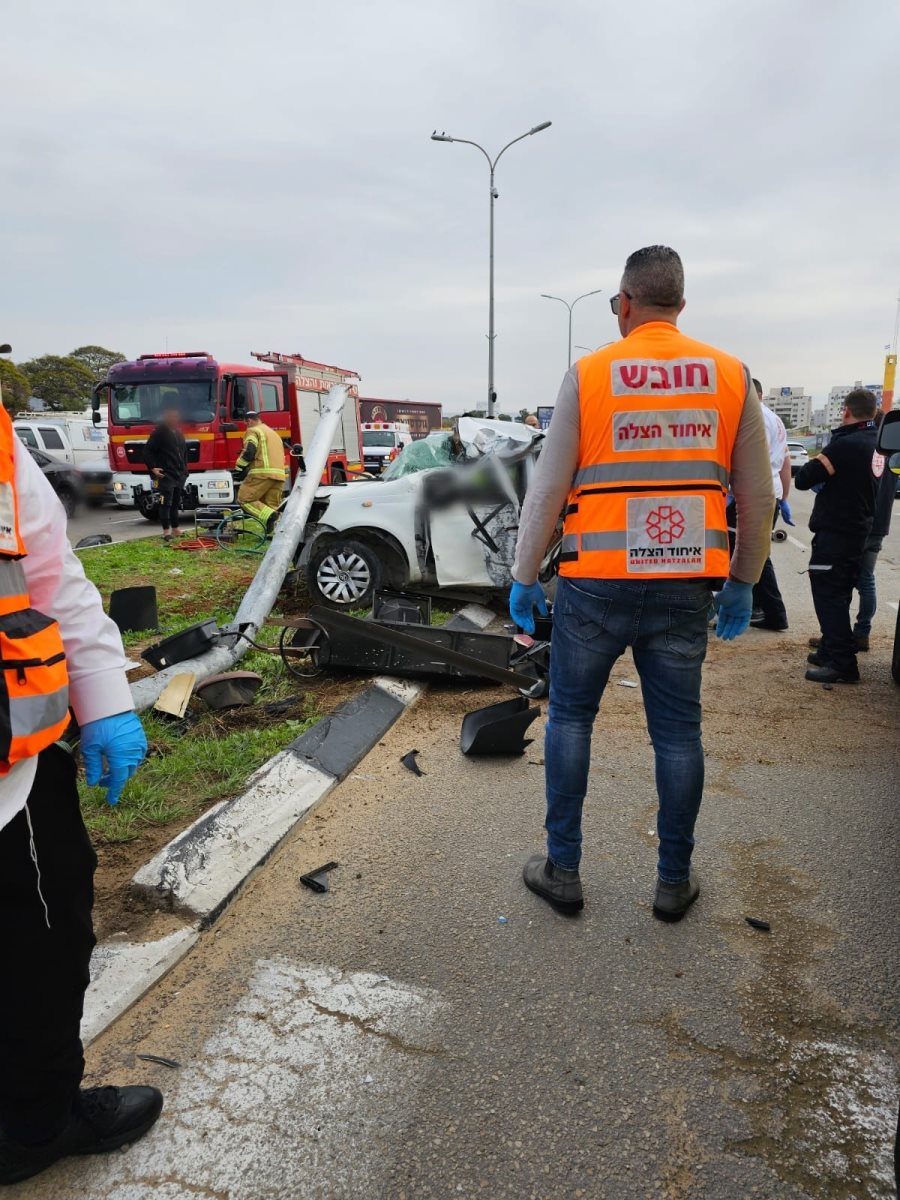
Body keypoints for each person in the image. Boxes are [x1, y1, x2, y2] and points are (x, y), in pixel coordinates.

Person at [510, 245, 772, 922]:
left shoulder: (590, 373)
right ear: (680, 303)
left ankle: (563, 869)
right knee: (678, 736)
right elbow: (758, 494)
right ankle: (672, 881)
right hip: (687, 584)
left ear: (625, 303)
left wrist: (524, 576)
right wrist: (743, 580)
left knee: (571, 717)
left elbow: (548, 488)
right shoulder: (729, 374)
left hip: (594, 583)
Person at [0, 394, 159, 1184]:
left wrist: (101, 697)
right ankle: (34, 1128)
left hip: (17, 760)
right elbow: (51, 576)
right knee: (40, 951)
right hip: (6, 788)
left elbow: (46, 571)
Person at [796, 388, 879, 683]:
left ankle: (843, 662)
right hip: (860, 528)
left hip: (837, 532)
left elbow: (805, 478)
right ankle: (831, 649)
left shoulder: (846, 445)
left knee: (829, 595)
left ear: (845, 411)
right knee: (841, 592)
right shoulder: (875, 442)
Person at [851, 412, 894, 650]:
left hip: (860, 523)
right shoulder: (891, 454)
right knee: (867, 579)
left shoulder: (867, 449)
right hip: (880, 524)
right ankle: (862, 631)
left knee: (844, 580)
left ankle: (837, 635)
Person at [233, 411, 287, 527]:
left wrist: (239, 468)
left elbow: (249, 452)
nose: (246, 426)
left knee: (244, 500)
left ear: (249, 420)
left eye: (246, 423)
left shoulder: (253, 431)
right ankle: (274, 534)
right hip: (279, 475)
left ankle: (271, 516)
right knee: (270, 506)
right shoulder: (273, 433)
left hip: (261, 473)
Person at [143, 405, 188, 540]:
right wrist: (153, 467)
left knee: (175, 503)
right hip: (165, 474)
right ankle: (166, 532)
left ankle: (175, 529)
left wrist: (185, 470)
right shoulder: (159, 433)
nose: (174, 418)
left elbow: (184, 453)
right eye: (171, 416)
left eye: (176, 416)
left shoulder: (179, 433)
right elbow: (147, 451)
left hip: (179, 474)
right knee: (165, 503)